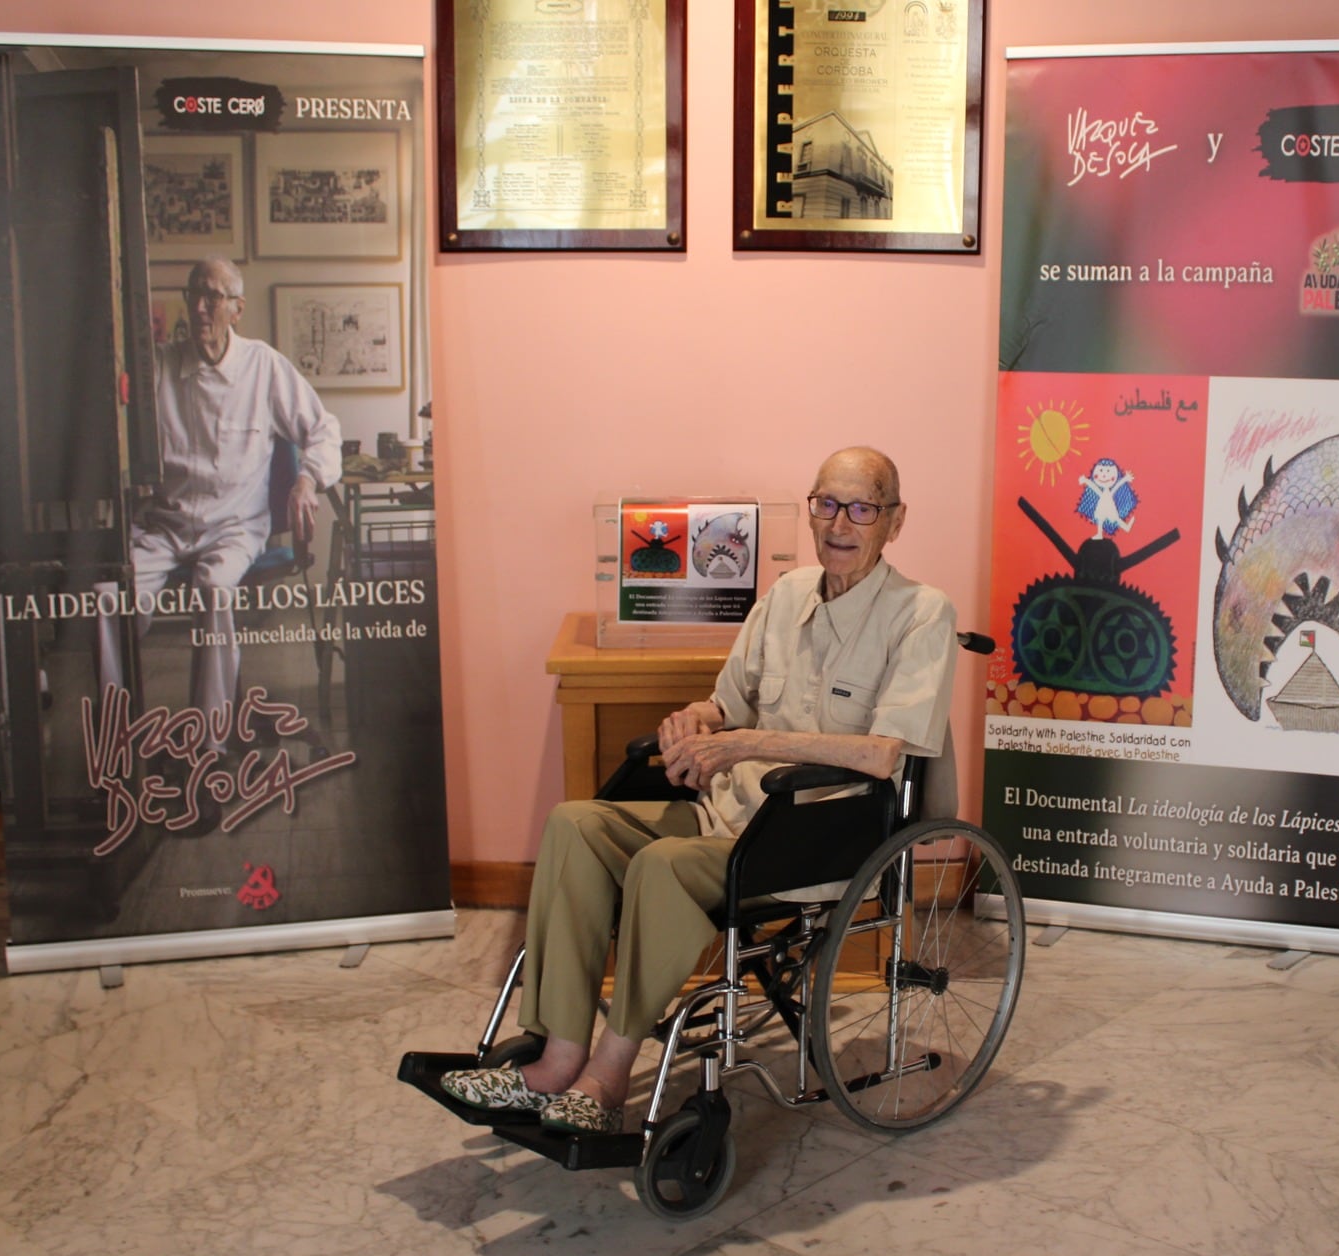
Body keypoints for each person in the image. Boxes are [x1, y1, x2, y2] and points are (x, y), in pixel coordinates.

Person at [440, 446, 958, 1135]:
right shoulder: (785, 596)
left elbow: (881, 751)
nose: (839, 522)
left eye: (862, 508)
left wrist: (743, 743)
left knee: (660, 866)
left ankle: (609, 1073)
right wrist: (697, 720)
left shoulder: (921, 613)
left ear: (894, 521)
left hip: (820, 838)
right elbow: (727, 702)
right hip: (732, 814)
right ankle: (559, 1058)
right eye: (826, 504)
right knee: (574, 824)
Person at [95, 255, 341, 737]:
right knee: (107, 601)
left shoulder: (263, 365)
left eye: (213, 296)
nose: (201, 306)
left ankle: (208, 745)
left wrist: (307, 479)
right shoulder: (160, 366)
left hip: (234, 528)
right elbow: (116, 426)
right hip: (165, 525)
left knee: (213, 591)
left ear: (237, 308)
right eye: (194, 294)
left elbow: (323, 429)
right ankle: (114, 738)